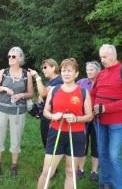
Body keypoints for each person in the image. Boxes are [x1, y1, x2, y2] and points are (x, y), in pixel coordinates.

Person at [37, 58, 93, 189]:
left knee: (70, 171)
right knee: (47, 171)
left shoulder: (83, 92)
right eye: (63, 70)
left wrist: (76, 119)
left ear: (76, 74)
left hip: (76, 135)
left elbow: (90, 116)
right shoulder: (54, 90)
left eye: (69, 71)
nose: (66, 73)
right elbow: (45, 111)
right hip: (56, 133)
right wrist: (53, 116)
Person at [91, 44, 122, 189]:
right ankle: (106, 183)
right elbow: (93, 94)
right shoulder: (101, 74)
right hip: (99, 120)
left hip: (117, 122)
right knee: (102, 154)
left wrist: (106, 108)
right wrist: (91, 109)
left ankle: (118, 186)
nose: (102, 60)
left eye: (105, 57)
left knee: (114, 155)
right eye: (101, 57)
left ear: (114, 55)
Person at [0, 47, 33, 176]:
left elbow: (30, 93)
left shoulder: (26, 74)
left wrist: (21, 96)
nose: (10, 58)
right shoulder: (3, 72)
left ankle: (14, 166)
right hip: (1, 110)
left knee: (16, 138)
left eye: (13, 56)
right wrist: (3, 88)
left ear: (20, 58)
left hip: (18, 112)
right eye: (9, 56)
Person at [29, 59, 63, 148]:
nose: (43, 70)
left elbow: (43, 93)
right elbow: (42, 96)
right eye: (42, 68)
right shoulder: (50, 81)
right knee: (47, 143)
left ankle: (51, 161)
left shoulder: (59, 80)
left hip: (52, 117)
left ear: (53, 67)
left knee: (51, 144)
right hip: (46, 116)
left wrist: (37, 77)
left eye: (45, 67)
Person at [76, 61, 101, 181]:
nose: (89, 71)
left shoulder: (102, 83)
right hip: (84, 118)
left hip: (98, 120)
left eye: (91, 69)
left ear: (98, 71)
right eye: (87, 69)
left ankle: (94, 171)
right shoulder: (81, 82)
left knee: (96, 145)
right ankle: (80, 169)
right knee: (83, 144)